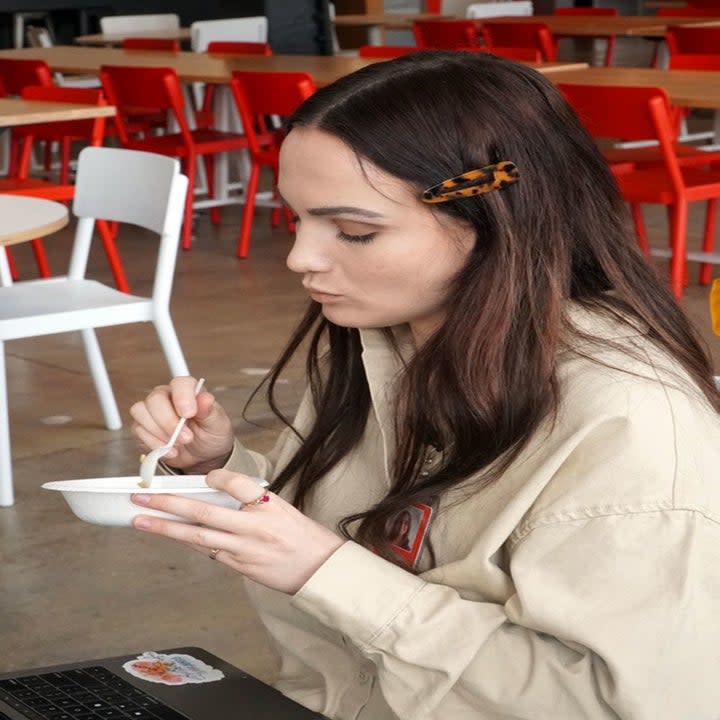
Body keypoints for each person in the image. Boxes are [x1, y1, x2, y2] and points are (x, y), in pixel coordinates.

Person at [129, 51, 720, 719]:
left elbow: (625, 705)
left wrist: (332, 576)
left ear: (493, 221)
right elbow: (335, 527)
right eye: (297, 218)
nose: (300, 258)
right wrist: (219, 468)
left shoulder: (630, 427)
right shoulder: (385, 340)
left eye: (354, 231)